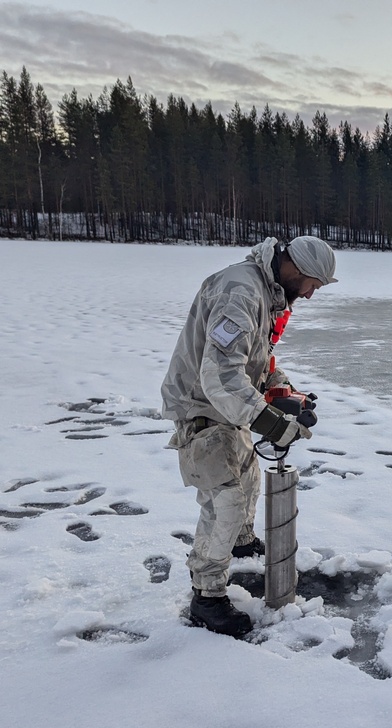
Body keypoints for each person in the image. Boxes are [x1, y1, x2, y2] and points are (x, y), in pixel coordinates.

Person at [161, 236, 337, 637]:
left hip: (228, 408)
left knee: (249, 477)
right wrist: (273, 423)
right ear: (294, 268)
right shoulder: (239, 291)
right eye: (313, 284)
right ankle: (207, 597)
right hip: (202, 409)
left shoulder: (267, 293)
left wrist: (281, 386)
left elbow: (254, 358)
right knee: (225, 499)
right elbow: (221, 376)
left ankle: (238, 542)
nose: (310, 295)